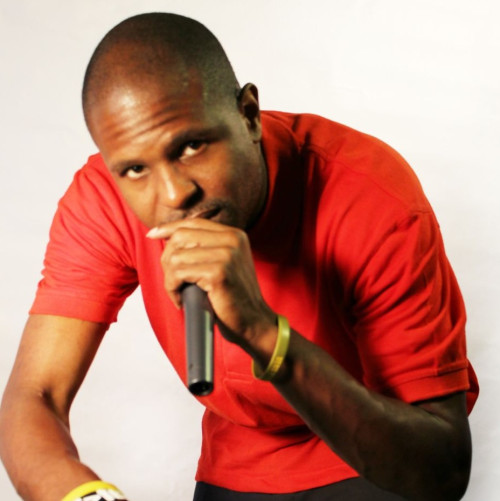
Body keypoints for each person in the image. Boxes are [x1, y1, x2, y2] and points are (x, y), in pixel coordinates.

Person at [0, 12, 478, 501]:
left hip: (373, 445)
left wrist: (263, 332)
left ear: (248, 115)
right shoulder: (105, 198)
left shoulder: (372, 198)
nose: (175, 194)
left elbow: (442, 469)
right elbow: (36, 396)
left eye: (191, 146)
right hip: (243, 461)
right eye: (136, 169)